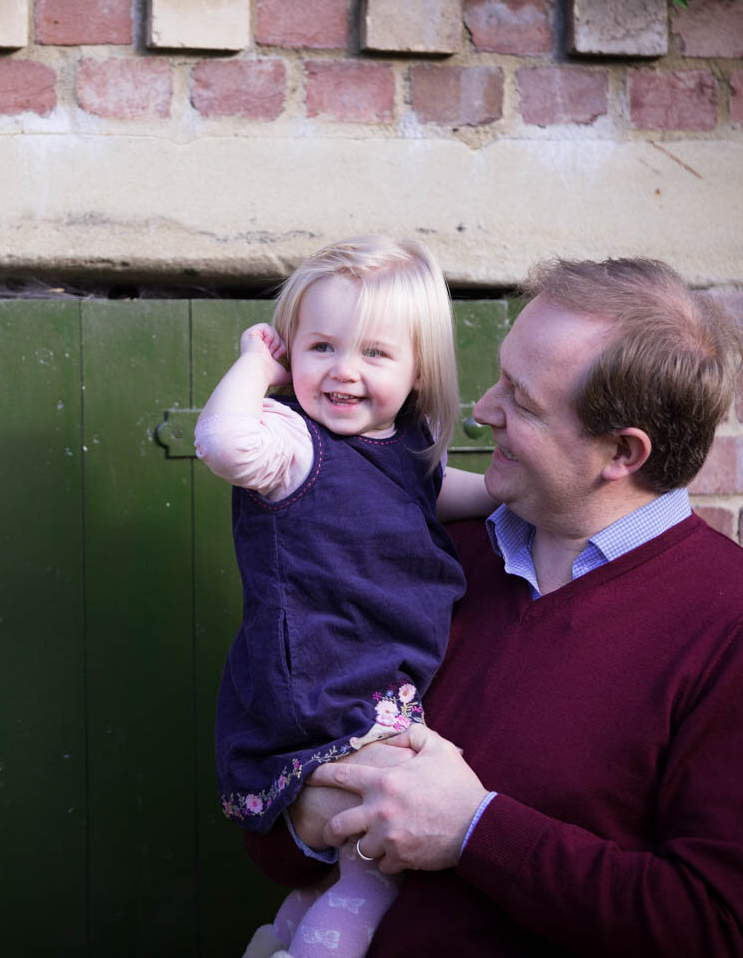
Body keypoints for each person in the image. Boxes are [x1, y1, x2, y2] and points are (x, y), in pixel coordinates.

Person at [243, 258, 743, 957]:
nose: (484, 409)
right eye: (499, 377)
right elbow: (273, 824)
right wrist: (306, 818)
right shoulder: (428, 551)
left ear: (621, 452)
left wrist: (475, 831)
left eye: (521, 399)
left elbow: (723, 932)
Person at [195, 237, 496, 958]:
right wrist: (253, 365)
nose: (344, 373)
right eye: (322, 347)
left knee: (349, 852)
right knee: (390, 830)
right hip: (317, 691)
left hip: (375, 687)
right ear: (291, 350)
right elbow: (221, 442)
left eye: (375, 354)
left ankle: (287, 933)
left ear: (419, 368)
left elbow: (429, 492)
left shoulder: (406, 442)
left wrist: (494, 496)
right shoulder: (292, 444)